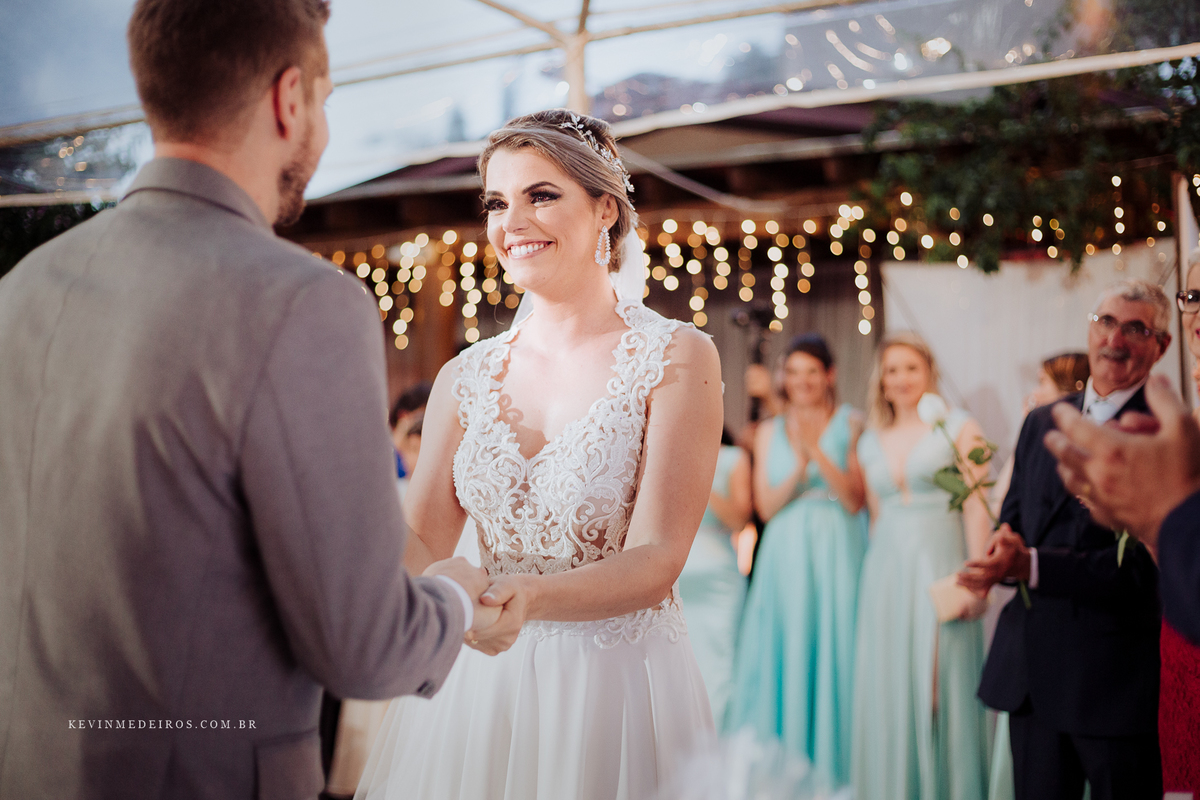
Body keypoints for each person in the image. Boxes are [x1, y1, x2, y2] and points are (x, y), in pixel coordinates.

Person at [0, 0, 492, 795]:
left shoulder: (22, 292)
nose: (323, 128)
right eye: (326, 101)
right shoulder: (303, 303)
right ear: (288, 99)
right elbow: (363, 645)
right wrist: (454, 601)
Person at [355, 109, 724, 800]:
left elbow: (656, 559)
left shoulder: (675, 356)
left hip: (615, 685)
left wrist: (531, 596)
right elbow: (420, 538)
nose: (512, 221)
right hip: (480, 685)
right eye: (497, 202)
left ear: (605, 208)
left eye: (541, 195)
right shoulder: (465, 377)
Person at [960, 279, 1169, 800]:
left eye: (1135, 328)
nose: (1115, 340)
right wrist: (997, 557)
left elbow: (1141, 570)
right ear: (1090, 330)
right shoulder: (1039, 423)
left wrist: (1029, 566)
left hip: (1111, 679)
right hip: (1034, 672)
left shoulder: (1165, 435)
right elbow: (1013, 521)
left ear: (1161, 346)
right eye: (1106, 323)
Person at [851, 332, 991, 800]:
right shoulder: (870, 440)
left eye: (911, 368)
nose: (902, 378)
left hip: (940, 561)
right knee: (892, 691)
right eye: (892, 370)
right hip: (886, 574)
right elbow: (876, 515)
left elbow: (976, 504)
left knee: (939, 686)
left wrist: (977, 579)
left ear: (929, 372)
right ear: (882, 381)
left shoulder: (959, 426)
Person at [726, 333, 867, 787]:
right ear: (784, 378)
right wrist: (800, 464)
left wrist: (817, 451)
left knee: (837, 641)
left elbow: (852, 499)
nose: (803, 381)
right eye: (794, 372)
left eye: (812, 372)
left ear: (829, 375)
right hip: (786, 551)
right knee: (787, 644)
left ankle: (839, 768)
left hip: (838, 546)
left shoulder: (853, 421)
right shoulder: (768, 430)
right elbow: (765, 508)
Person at [677, 428, 751, 726]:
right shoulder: (665, 453)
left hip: (718, 579)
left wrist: (700, 478)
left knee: (720, 663)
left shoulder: (734, 458)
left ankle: (718, 739)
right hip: (675, 574)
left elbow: (740, 521)